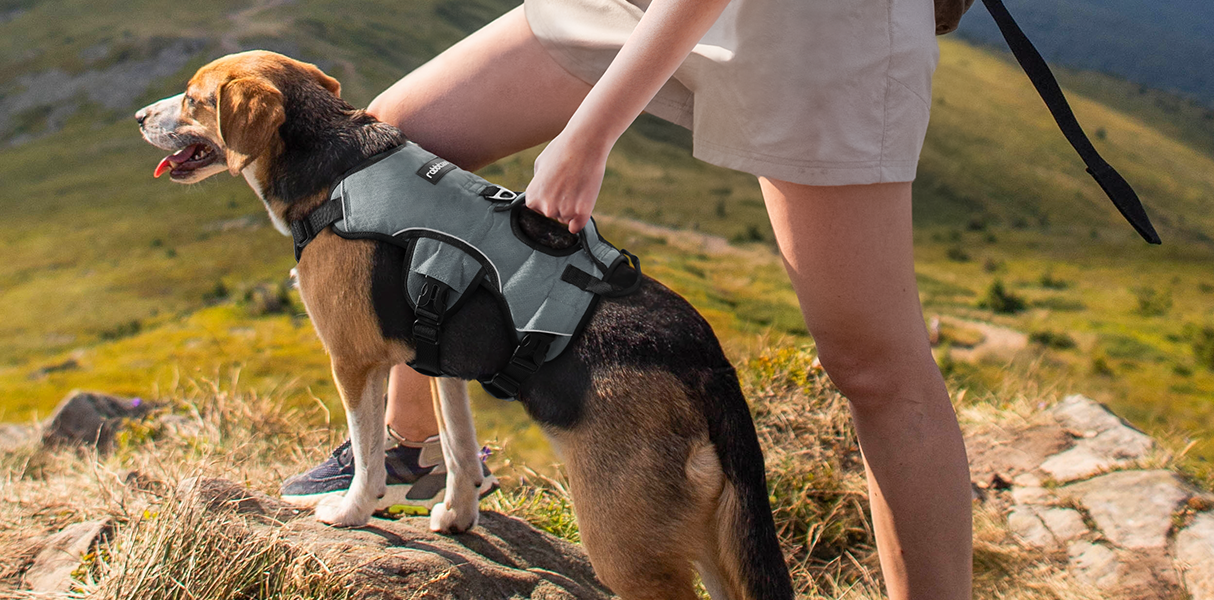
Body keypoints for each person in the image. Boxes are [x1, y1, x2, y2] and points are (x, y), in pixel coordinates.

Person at [279, 0, 973, 597]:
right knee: (399, 147)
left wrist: (589, 133)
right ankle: (414, 451)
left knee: (873, 364)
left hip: (822, 25)